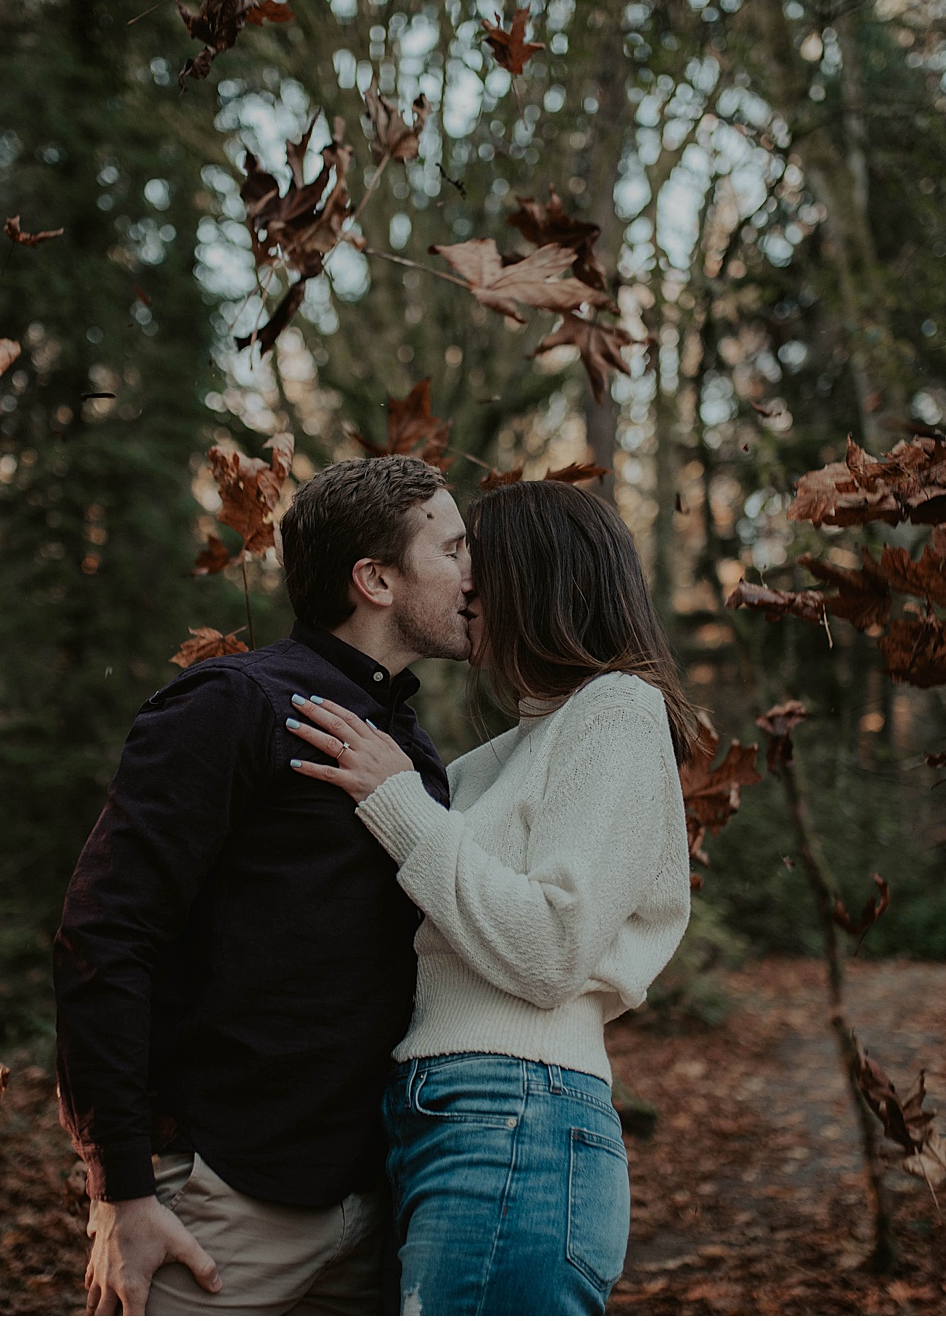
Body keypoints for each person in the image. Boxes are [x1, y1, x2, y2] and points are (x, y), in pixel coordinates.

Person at [53, 455, 474, 1314]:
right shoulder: (231, 706)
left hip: (377, 1207)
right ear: (377, 579)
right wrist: (122, 1187)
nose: (477, 573)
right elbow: (104, 935)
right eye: (455, 549)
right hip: (221, 1209)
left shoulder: (415, 751)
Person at [285, 479, 697, 1315]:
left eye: (480, 560)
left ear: (539, 577)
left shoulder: (618, 710)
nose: (463, 584)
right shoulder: (499, 756)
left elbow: (552, 950)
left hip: (517, 1114)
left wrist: (398, 804)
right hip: (445, 1115)